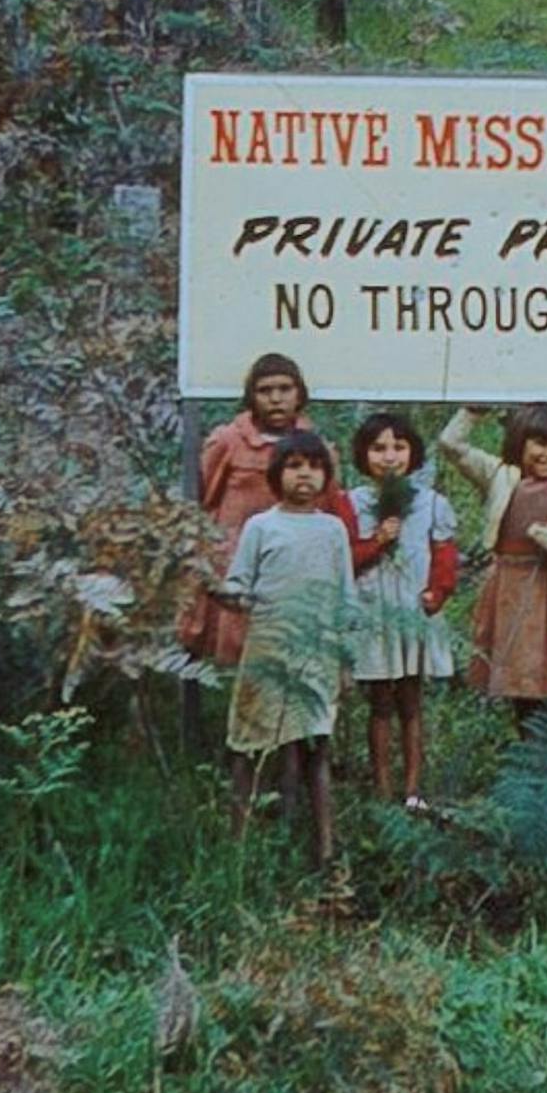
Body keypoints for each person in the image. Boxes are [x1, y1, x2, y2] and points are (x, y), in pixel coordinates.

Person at [217, 429, 356, 866]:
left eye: (314, 467)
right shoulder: (261, 526)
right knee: (249, 747)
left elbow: (345, 596)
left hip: (318, 650)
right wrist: (228, 594)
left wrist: (345, 661)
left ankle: (325, 850)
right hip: (267, 649)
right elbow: (239, 582)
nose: (305, 476)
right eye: (295, 466)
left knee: (316, 747)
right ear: (277, 475)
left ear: (326, 477)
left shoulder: (333, 530)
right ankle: (238, 846)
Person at [438, 403, 547, 731]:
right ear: (519, 442)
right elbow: (451, 444)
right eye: (540, 443)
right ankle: (528, 744)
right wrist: (473, 412)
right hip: (513, 586)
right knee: (520, 675)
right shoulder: (498, 474)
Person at [180, 352, 355, 670]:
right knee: (241, 655)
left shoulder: (318, 449)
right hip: (237, 561)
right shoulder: (228, 441)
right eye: (265, 390)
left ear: (299, 394)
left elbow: (329, 504)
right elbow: (202, 499)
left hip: (293, 560)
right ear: (251, 396)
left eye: (285, 389)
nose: (276, 399)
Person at [344, 411, 461, 807]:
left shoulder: (430, 503)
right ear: (363, 454)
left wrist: (438, 592)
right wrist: (378, 540)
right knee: (379, 701)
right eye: (379, 448)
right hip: (375, 609)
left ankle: (413, 790)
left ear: (413, 453)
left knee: (411, 700)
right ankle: (382, 789)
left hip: (414, 608)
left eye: (399, 447)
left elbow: (444, 553)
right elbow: (347, 558)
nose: (390, 457)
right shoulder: (353, 503)